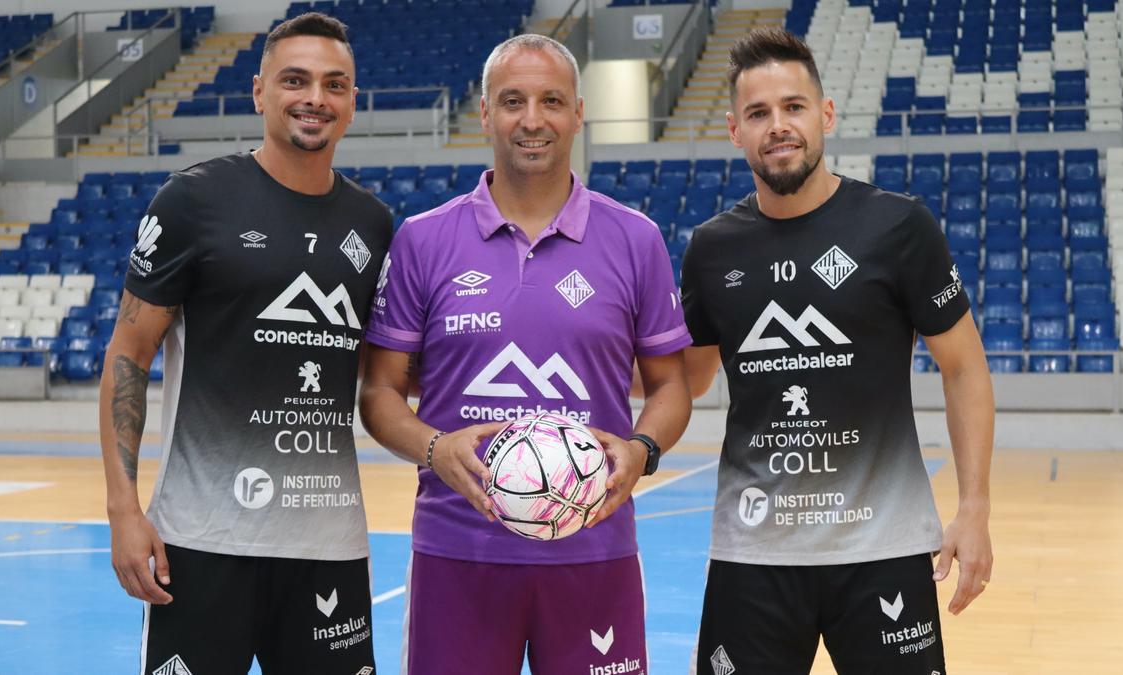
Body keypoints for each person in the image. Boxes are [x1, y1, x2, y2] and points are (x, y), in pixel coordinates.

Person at [359, 34, 692, 675]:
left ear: (577, 113)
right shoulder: (424, 240)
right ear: (485, 113)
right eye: (513, 101)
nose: (532, 119)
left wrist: (641, 450)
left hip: (594, 549)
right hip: (458, 550)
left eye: (551, 101)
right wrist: (435, 448)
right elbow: (377, 393)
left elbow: (671, 386)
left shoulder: (634, 238)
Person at [680, 27, 995, 674]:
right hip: (755, 553)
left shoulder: (897, 226)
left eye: (793, 107)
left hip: (885, 547)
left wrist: (974, 507)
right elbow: (680, 381)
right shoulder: (712, 250)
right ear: (735, 131)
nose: (778, 126)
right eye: (759, 113)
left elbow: (964, 367)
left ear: (824, 114)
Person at [99, 13, 392, 675]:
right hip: (200, 543)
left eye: (333, 83)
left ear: (351, 102)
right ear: (260, 91)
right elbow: (128, 355)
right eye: (295, 80)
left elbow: (385, 381)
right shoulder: (193, 201)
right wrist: (122, 508)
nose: (314, 96)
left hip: (329, 546)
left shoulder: (373, 225)